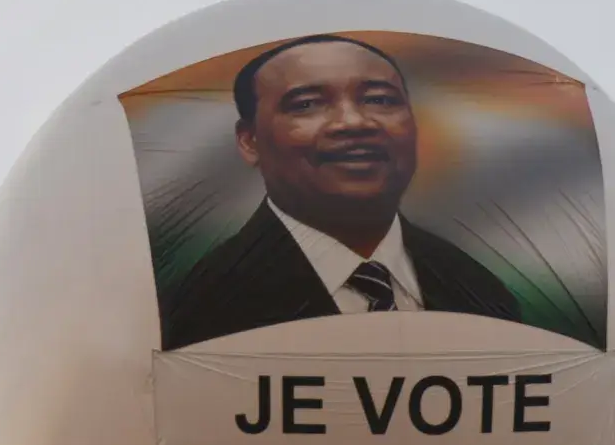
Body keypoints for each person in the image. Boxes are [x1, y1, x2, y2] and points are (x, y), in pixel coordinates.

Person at [159, 34, 521, 350]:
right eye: (306, 104)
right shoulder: (199, 307)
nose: (354, 122)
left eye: (380, 100)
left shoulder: (480, 292)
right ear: (249, 140)